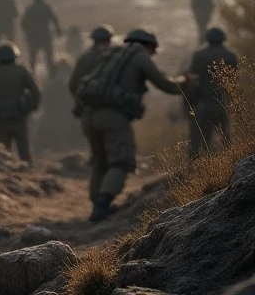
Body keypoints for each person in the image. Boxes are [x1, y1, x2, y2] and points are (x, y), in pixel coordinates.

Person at [74, 27, 195, 222]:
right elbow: (166, 84)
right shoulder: (140, 57)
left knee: (100, 163)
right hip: (113, 117)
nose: (153, 53)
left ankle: (96, 203)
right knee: (121, 161)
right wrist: (185, 81)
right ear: (147, 45)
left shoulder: (110, 52)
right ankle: (102, 207)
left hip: (88, 115)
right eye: (153, 49)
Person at [0, 42, 41, 164]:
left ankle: (6, 174)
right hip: (19, 116)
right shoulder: (21, 71)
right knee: (24, 151)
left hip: (1, 119)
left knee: (2, 153)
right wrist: (32, 107)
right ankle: (28, 174)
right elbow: (35, 91)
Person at [185, 27, 239, 157]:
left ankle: (197, 169)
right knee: (225, 138)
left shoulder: (199, 56)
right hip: (222, 103)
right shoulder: (231, 56)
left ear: (207, 40)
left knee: (199, 140)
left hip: (203, 103)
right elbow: (234, 82)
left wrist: (190, 104)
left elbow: (192, 80)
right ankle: (230, 164)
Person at [20, 0, 62, 77]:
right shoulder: (46, 7)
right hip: (45, 36)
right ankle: (52, 79)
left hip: (33, 37)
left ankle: (31, 78)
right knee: (49, 59)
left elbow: (23, 23)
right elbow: (54, 19)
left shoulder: (29, 8)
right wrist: (58, 30)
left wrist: (28, 33)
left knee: (32, 60)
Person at [68, 25, 115, 97]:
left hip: (89, 102)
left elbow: (73, 85)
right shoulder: (116, 57)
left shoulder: (85, 58)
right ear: (109, 40)